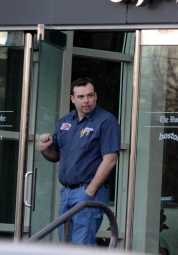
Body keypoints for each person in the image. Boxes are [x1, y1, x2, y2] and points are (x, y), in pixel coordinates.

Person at [38, 77, 121, 246]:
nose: (86, 101)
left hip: (90, 191)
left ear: (96, 96)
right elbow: (56, 156)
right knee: (65, 245)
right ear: (72, 99)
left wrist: (89, 192)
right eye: (81, 97)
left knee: (81, 245)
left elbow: (111, 159)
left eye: (90, 96)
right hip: (66, 193)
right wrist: (45, 147)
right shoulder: (65, 122)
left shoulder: (106, 121)